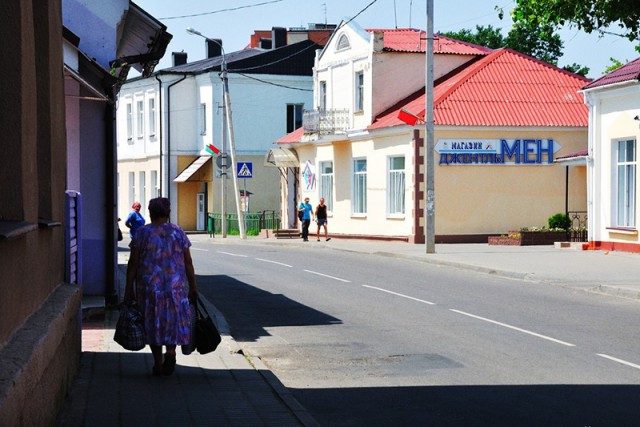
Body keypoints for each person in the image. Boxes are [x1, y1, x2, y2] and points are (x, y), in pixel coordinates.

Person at [124, 197, 198, 376]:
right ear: (168, 212)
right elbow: (188, 262)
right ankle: (171, 351)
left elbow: (133, 263)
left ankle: (158, 363)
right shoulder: (178, 232)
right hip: (176, 288)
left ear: (150, 212)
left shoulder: (142, 233)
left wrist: (128, 290)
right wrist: (193, 286)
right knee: (172, 321)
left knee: (153, 323)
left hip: (150, 289)